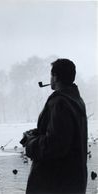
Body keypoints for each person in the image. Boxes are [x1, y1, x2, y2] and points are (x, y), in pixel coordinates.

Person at [20, 59, 87, 194]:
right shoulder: (76, 100)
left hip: (54, 182)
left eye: (51, 75)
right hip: (72, 180)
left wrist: (30, 142)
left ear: (55, 77)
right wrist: (37, 133)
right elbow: (65, 135)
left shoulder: (60, 102)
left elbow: (55, 146)